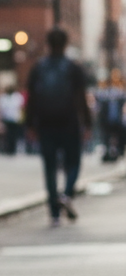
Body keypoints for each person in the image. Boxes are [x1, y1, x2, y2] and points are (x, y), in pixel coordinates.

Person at [26, 27, 90, 226]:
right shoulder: (73, 68)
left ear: (47, 45)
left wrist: (30, 124)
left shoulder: (38, 68)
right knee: (74, 162)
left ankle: (54, 212)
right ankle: (67, 193)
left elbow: (31, 99)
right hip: (69, 122)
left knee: (50, 167)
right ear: (66, 45)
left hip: (45, 124)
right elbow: (81, 99)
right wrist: (87, 123)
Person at [0, 83, 25, 154]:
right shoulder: (3, 98)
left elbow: (21, 107)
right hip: (6, 119)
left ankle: (13, 149)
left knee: (14, 135)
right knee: (7, 135)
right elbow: (0, 108)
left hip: (15, 119)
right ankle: (7, 149)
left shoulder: (17, 97)